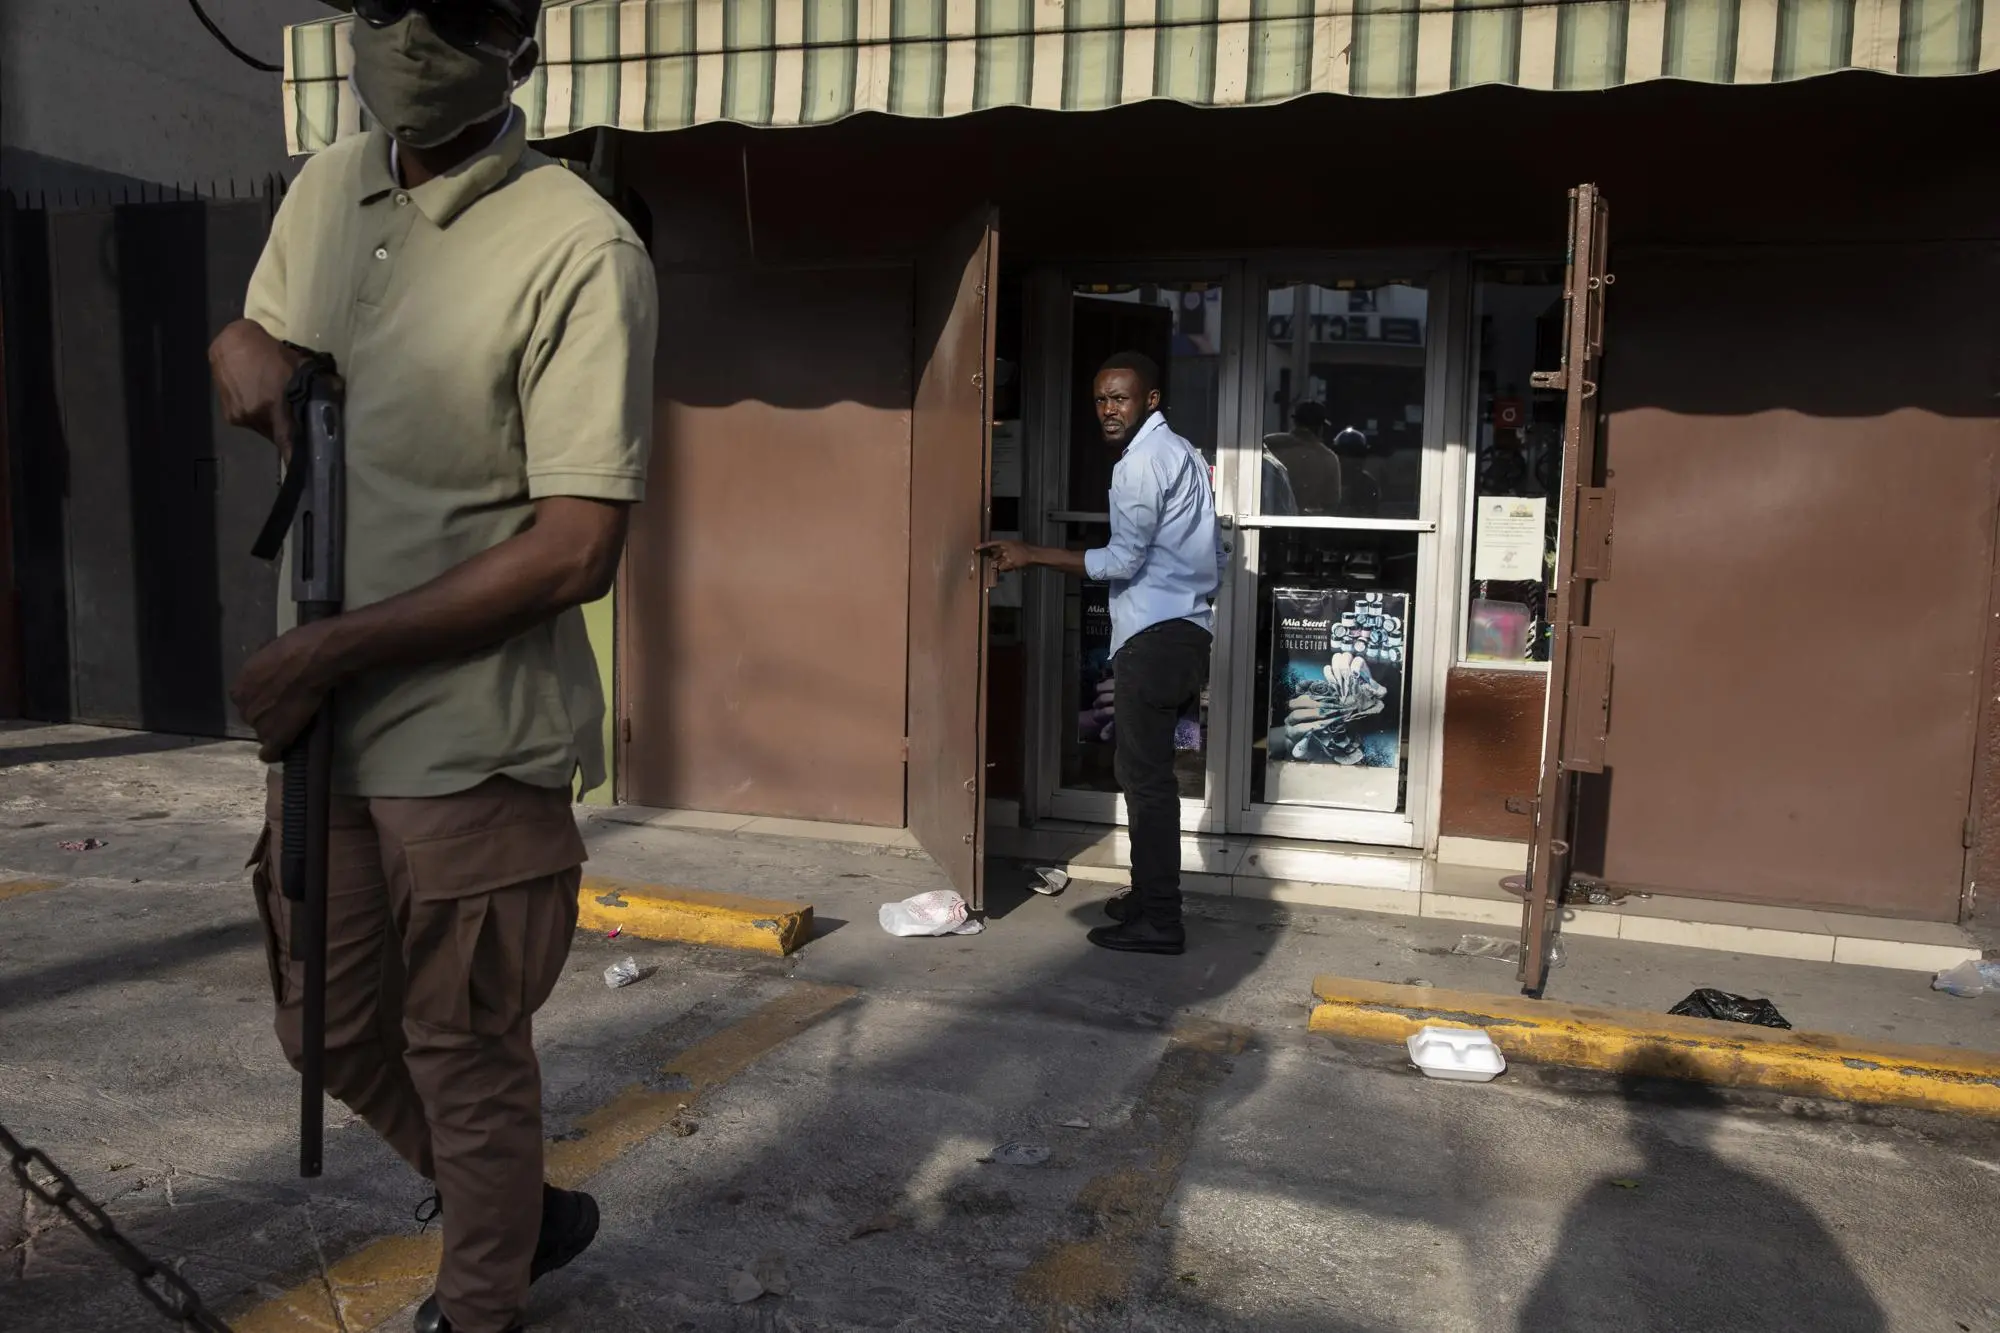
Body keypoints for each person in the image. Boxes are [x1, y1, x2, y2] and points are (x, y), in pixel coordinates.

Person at [206, 3, 658, 1331]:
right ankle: (510, 1211)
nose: (409, 37)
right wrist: (241, 348)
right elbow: (271, 340)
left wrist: (332, 648)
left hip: (475, 744)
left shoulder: (581, 246)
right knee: (327, 1032)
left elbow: (578, 546)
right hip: (327, 735)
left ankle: (481, 1296)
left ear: (517, 41)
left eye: (455, 11)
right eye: (384, 3)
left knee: (464, 1055)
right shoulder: (330, 186)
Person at [979, 351, 1222, 956]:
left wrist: (1031, 554)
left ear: (1151, 400)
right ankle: (1147, 898)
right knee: (1147, 776)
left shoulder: (1141, 465)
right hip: (1184, 630)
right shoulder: (1183, 452)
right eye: (1101, 399)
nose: (1109, 410)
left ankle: (1160, 917)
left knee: (1146, 784)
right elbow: (1207, 553)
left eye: (1121, 398)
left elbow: (1121, 561)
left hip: (1155, 637)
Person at [1261, 401, 1343, 514]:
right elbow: (1332, 502)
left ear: (1295, 421)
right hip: (1306, 525)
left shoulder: (1269, 444)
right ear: (1320, 427)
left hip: (1268, 519)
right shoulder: (1328, 457)